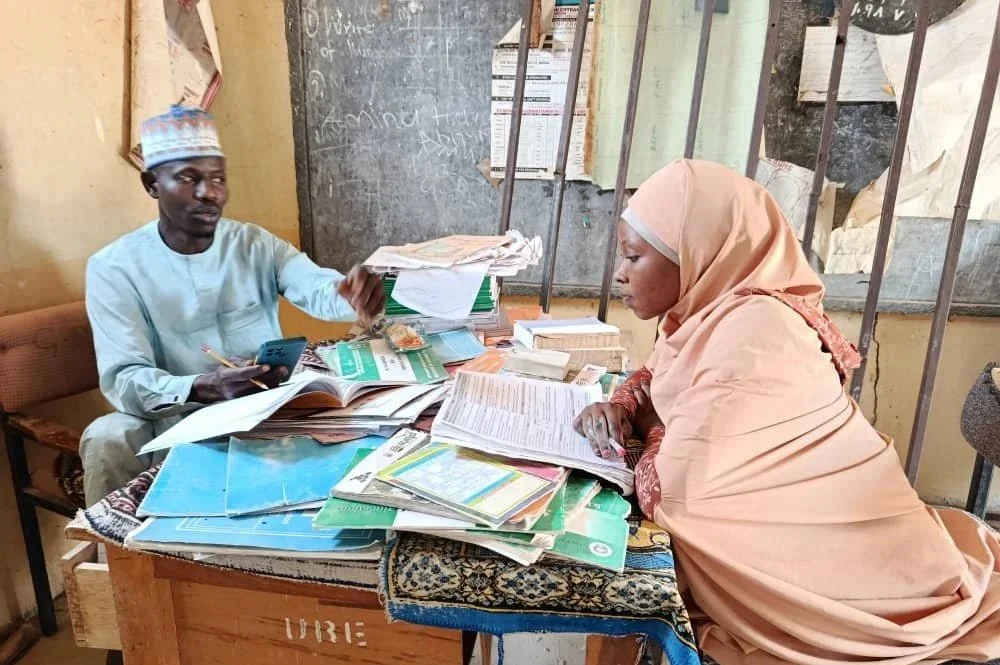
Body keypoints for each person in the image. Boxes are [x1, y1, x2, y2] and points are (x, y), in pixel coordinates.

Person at [575, 160, 1000, 665]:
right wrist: (623, 403)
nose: (619, 273)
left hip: (850, 570)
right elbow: (656, 375)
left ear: (699, 255)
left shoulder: (752, 333)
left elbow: (672, 492)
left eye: (633, 256)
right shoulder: (707, 313)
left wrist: (647, 425)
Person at [81, 105, 385, 505]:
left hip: (261, 406)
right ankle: (115, 555)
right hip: (174, 418)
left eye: (217, 178)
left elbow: (318, 288)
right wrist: (201, 387)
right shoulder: (114, 268)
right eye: (188, 178)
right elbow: (124, 380)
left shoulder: (253, 244)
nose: (209, 192)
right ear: (152, 184)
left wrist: (350, 294)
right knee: (108, 435)